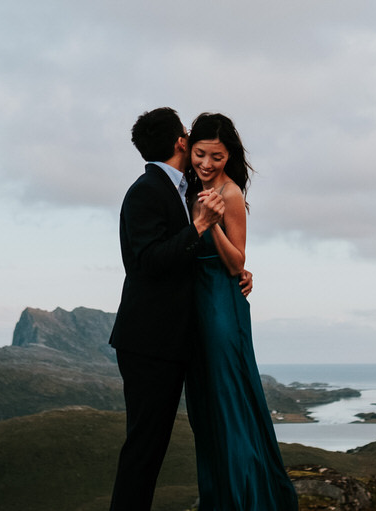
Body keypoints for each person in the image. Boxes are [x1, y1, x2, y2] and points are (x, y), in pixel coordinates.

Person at [108, 107, 225, 511]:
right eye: (188, 132)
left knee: (155, 447)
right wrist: (198, 226)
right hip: (149, 345)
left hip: (174, 342)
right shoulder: (146, 191)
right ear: (180, 142)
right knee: (145, 448)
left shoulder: (181, 188)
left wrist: (237, 272)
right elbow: (148, 262)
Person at [183, 112, 297, 511]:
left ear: (229, 155)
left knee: (229, 403)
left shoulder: (229, 195)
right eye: (200, 154)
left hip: (219, 306)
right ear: (189, 149)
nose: (207, 164)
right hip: (195, 304)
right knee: (206, 407)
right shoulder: (189, 183)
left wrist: (210, 223)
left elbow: (236, 262)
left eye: (216, 156)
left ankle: (246, 500)